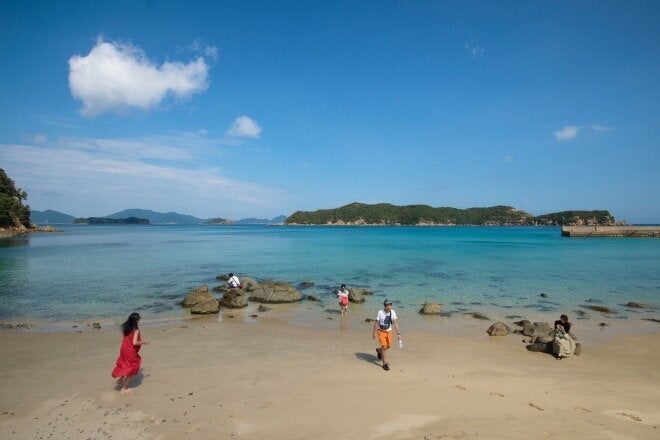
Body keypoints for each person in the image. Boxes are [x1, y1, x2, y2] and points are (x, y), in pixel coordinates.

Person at [111, 312, 148, 393]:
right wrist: (143, 342)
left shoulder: (126, 327)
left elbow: (122, 339)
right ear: (136, 320)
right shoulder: (136, 330)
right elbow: (134, 342)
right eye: (139, 319)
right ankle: (124, 389)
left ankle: (120, 380)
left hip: (124, 348)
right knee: (132, 367)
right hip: (130, 350)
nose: (139, 321)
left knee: (124, 363)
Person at [372, 299, 401, 371]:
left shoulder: (393, 312)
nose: (389, 307)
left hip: (389, 331)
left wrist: (398, 333)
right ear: (384, 306)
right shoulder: (380, 312)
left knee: (388, 346)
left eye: (390, 305)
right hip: (381, 331)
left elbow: (395, 323)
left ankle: (379, 350)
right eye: (387, 305)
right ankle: (384, 364)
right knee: (384, 347)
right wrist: (374, 333)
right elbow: (376, 323)